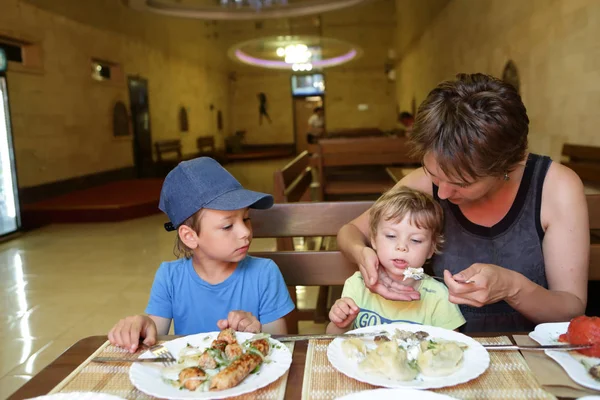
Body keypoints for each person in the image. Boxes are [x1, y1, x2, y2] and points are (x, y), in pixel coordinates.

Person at [337, 73, 589, 332]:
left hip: (529, 349)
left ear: (505, 166)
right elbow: (351, 232)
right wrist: (363, 255)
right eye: (435, 175)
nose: (443, 193)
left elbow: (571, 309)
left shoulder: (555, 187)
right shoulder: (429, 182)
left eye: (462, 183)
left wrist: (512, 287)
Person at [108, 157, 294, 352]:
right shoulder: (170, 277)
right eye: (228, 225)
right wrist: (141, 325)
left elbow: (281, 346)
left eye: (246, 218)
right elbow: (154, 338)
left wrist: (257, 331)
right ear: (189, 236)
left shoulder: (265, 273)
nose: (245, 232)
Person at [327, 187, 465, 334]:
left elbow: (452, 346)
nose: (402, 247)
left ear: (431, 249)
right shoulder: (357, 284)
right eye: (391, 236)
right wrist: (340, 323)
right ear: (373, 239)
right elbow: (332, 339)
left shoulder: (438, 296)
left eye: (415, 240)